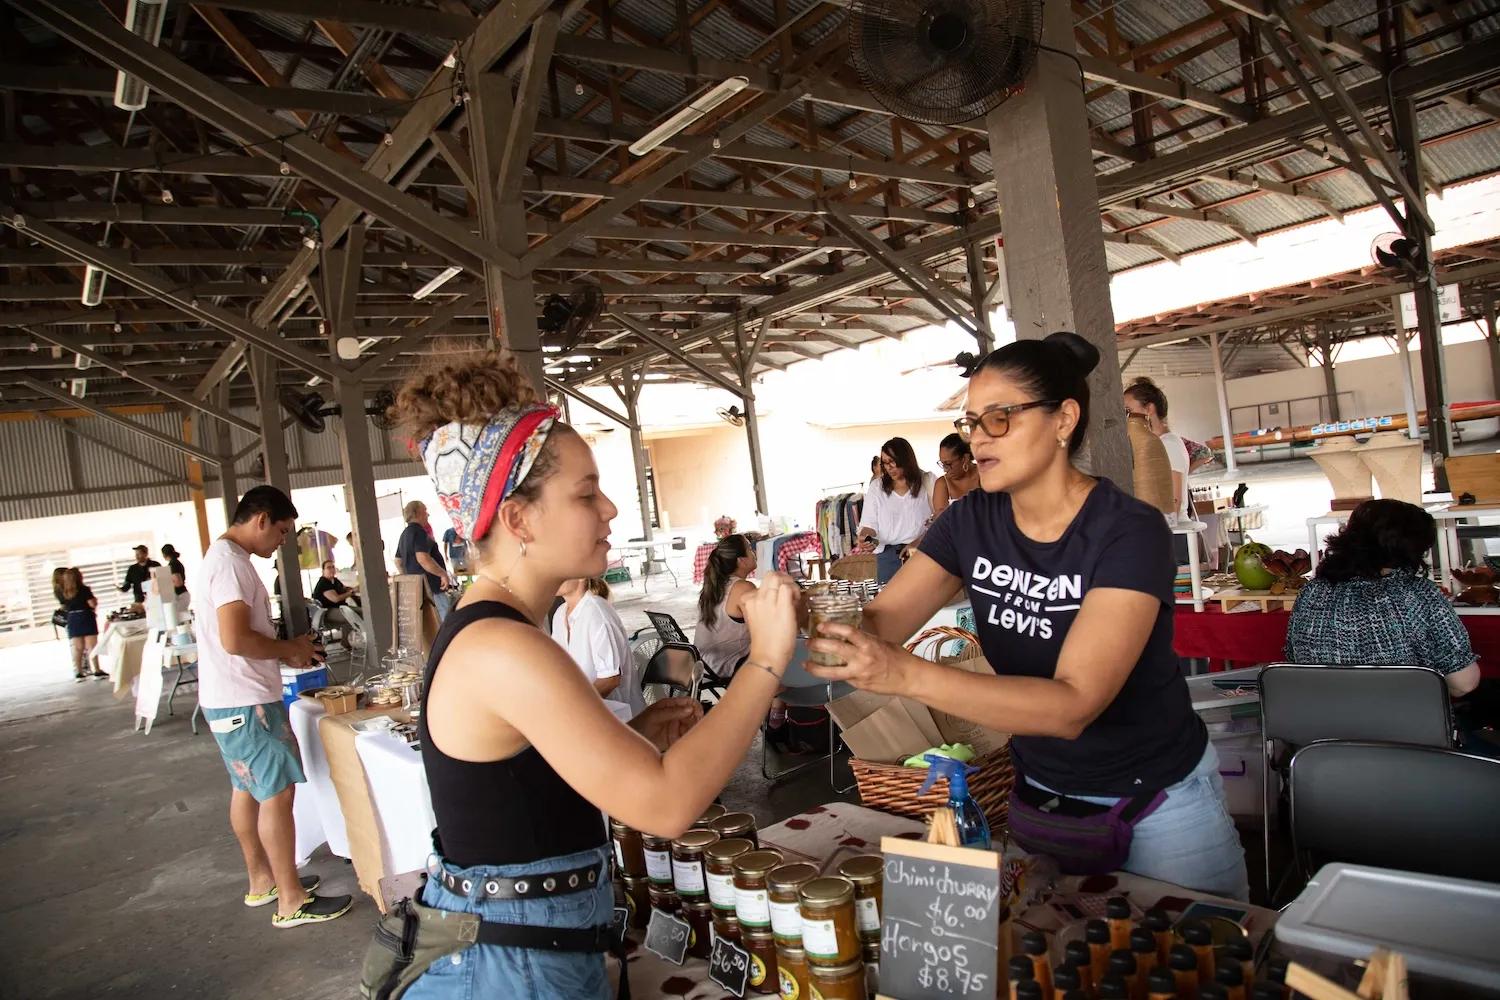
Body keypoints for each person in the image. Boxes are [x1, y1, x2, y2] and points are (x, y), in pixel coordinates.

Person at [390, 348, 798, 998]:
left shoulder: (501, 627)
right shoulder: (503, 646)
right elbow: (665, 805)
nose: (610, 509)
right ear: (518, 519)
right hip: (510, 968)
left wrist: (628, 732)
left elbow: (517, 788)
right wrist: (770, 658)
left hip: (522, 945)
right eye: (586, 493)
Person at [807, 332, 1249, 901]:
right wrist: (794, 608)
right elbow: (882, 622)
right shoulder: (970, 522)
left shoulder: (1126, 531)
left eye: (1000, 419)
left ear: (1064, 419)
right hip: (1042, 795)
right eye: (971, 422)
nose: (977, 439)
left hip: (1157, 806)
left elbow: (1072, 705)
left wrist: (903, 674)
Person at [191, 485, 352, 928]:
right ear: (261, 519)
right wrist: (289, 650)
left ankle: (264, 880)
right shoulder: (230, 566)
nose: (282, 541)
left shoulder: (222, 559)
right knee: (278, 794)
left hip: (227, 700)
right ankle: (291, 899)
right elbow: (235, 639)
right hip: (247, 700)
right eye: (281, 532)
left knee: (248, 789)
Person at [1286, 500, 1480, 699]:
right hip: (1406, 724)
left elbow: (1295, 660)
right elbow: (1464, 682)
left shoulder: (1312, 592)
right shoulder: (1419, 593)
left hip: (1318, 724)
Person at [552, 577, 644, 719]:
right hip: (586, 717)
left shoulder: (597, 612)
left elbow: (610, 679)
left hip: (619, 721)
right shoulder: (560, 614)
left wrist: (574, 708)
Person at [856, 437, 936, 584]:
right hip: (888, 558)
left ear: (906, 459)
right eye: (885, 463)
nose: (889, 467)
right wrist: (865, 538)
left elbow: (940, 519)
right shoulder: (876, 487)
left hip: (923, 552)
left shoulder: (928, 480)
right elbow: (869, 524)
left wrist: (919, 542)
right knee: (890, 604)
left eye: (893, 461)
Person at [1123, 377, 1191, 522]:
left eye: (1128, 411)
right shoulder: (1157, 443)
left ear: (1149, 409)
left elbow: (1174, 500)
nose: (1126, 417)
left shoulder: (1168, 444)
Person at [694, 534, 756, 679]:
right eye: (749, 549)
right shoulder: (743, 588)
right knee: (787, 648)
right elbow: (762, 631)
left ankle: (776, 699)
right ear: (740, 561)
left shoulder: (715, 586)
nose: (754, 552)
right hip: (728, 663)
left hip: (705, 664)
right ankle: (777, 698)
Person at [397, 501, 454, 622]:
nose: (428, 514)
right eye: (425, 511)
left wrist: (409, 576)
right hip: (431, 586)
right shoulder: (419, 532)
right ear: (417, 513)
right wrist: (442, 574)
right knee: (444, 621)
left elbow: (398, 561)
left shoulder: (404, 534)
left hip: (418, 587)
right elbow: (423, 558)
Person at [59, 567, 106, 682]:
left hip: (72, 619)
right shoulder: (84, 589)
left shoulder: (63, 592)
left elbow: (63, 607)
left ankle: (79, 673)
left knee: (78, 648)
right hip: (86, 617)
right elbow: (92, 604)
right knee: (92, 646)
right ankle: (97, 670)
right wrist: (95, 600)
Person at [312, 560, 363, 650]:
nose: (331, 569)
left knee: (362, 611)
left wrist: (354, 589)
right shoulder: (323, 583)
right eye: (328, 567)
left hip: (341, 608)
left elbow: (344, 590)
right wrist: (352, 592)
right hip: (327, 612)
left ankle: (348, 641)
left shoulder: (335, 581)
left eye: (333, 567)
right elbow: (336, 599)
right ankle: (347, 642)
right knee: (351, 616)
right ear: (323, 571)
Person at [931, 432, 980, 516]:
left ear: (965, 458)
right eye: (943, 464)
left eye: (948, 464)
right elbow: (941, 522)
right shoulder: (943, 484)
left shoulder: (985, 475)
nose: (945, 470)